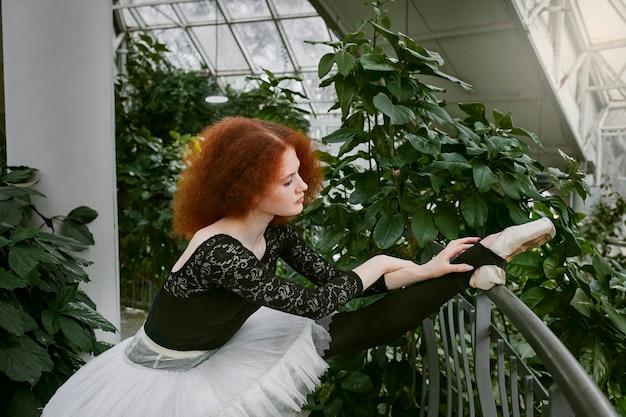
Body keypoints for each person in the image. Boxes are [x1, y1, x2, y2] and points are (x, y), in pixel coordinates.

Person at [42, 117, 556, 417]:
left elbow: (336, 285)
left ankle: (483, 258)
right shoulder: (219, 250)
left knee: (361, 326)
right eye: (288, 180)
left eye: (298, 175)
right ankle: (479, 263)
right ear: (246, 186)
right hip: (163, 380)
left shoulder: (273, 231)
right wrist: (377, 261)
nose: (303, 187)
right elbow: (315, 302)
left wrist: (428, 267)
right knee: (340, 321)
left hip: (216, 346)